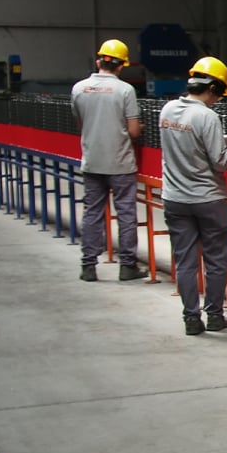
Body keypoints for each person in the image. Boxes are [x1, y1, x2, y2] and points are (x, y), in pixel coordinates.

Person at [158, 57, 227, 336]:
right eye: (218, 94)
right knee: (216, 260)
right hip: (208, 200)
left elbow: (186, 139)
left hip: (174, 199)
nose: (218, 100)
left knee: (185, 261)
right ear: (212, 88)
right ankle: (214, 315)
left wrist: (223, 138)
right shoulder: (207, 116)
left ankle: (191, 319)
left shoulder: (168, 109)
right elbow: (221, 163)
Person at [72, 38, 146, 282]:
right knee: (126, 214)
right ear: (121, 66)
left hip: (92, 161)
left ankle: (88, 266)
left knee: (92, 213)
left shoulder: (79, 89)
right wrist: (139, 127)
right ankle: (127, 266)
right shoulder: (125, 90)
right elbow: (133, 131)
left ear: (98, 62)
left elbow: (81, 125)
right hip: (120, 163)